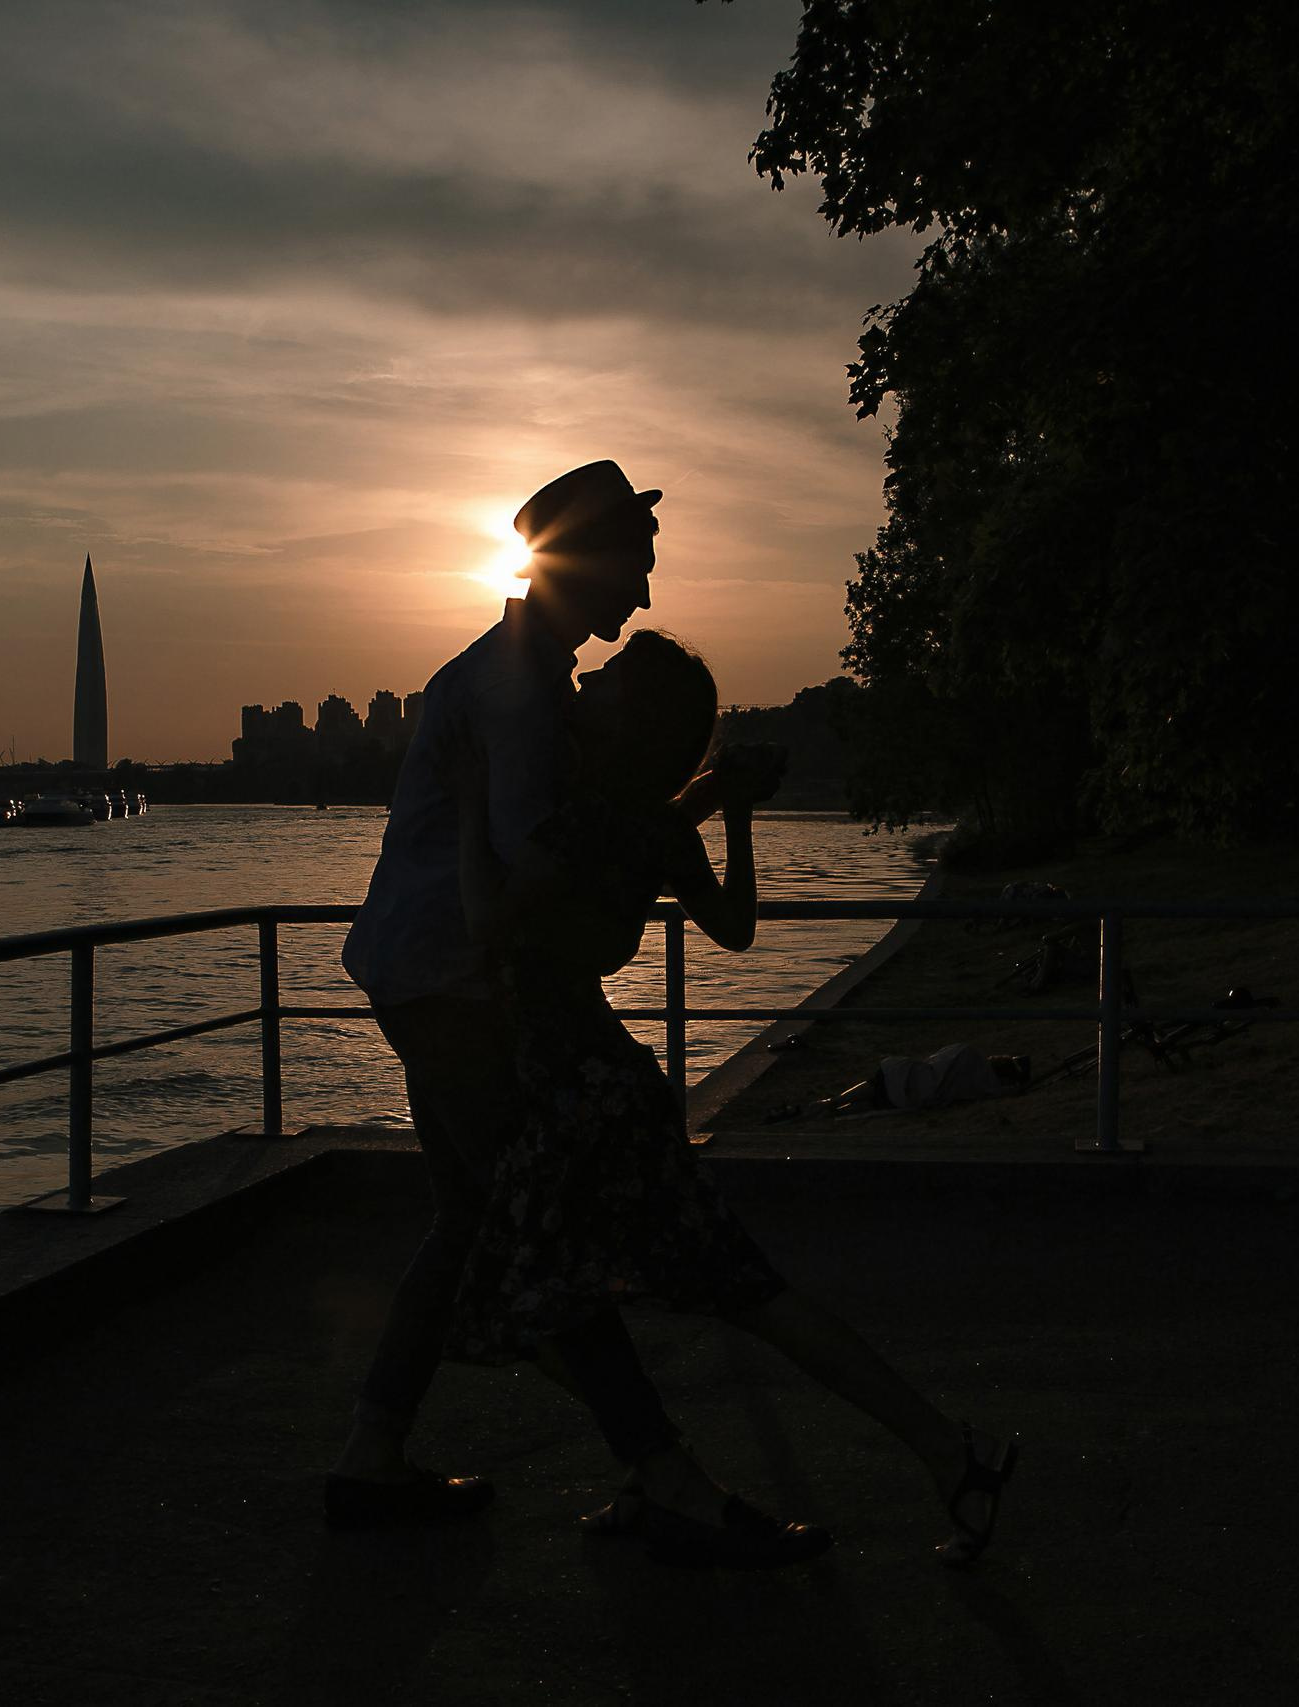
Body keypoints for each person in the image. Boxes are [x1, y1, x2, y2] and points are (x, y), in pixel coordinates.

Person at [446, 629, 1018, 1567]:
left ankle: (930, 1451)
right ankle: (941, 1452)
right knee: (730, 1294)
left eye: (612, 676)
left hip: (580, 1107)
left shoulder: (579, 823)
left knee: (526, 1297)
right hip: (614, 1096)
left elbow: (483, 921)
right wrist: (735, 810)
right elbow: (738, 929)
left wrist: (469, 806)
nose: (589, 674)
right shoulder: (656, 826)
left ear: (632, 721)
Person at [331, 460, 798, 1559]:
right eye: (633, 565)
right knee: (549, 1237)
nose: (639, 594)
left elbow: (564, 849)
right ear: (582, 562)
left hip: (417, 974)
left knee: (469, 1225)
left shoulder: (511, 673)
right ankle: (666, 1475)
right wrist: (694, 811)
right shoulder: (525, 692)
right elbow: (538, 863)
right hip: (452, 987)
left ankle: (368, 1455)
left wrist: (689, 807)